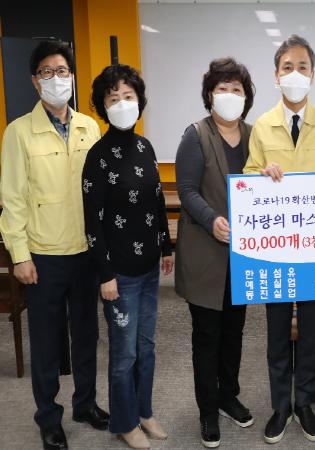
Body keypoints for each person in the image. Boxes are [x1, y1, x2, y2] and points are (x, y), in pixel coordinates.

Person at [0, 40, 108, 450]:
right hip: (43, 255)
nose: (56, 79)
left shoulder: (88, 127)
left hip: (84, 252)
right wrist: (19, 255)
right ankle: (48, 416)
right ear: (35, 81)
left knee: (86, 336)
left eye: (62, 71)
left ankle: (85, 404)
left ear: (72, 77)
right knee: (46, 342)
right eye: (47, 72)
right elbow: (12, 198)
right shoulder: (18, 132)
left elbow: (98, 192)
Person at [243, 34, 315, 444]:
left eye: (303, 67)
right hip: (276, 252)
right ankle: (280, 405)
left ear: (313, 75)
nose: (295, 74)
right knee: (275, 333)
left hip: (314, 252)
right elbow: (246, 179)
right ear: (276, 75)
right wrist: (260, 175)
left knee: (309, 331)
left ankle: (304, 402)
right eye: (288, 67)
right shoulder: (262, 126)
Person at [82, 64, 173, 450]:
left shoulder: (145, 147)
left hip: (149, 268)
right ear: (103, 106)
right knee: (124, 354)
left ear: (139, 100)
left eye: (128, 96)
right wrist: (105, 274)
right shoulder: (97, 157)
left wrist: (166, 245)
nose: (122, 103)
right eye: (113, 98)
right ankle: (124, 422)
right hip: (118, 274)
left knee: (146, 347)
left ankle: (144, 411)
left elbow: (156, 199)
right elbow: (92, 221)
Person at [174, 57, 255, 449]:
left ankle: (228, 395)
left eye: (236, 89)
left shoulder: (256, 135)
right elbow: (186, 190)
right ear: (210, 94)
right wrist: (212, 220)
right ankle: (207, 408)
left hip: (243, 254)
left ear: (246, 97)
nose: (229, 95)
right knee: (207, 333)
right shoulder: (195, 135)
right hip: (206, 252)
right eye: (222, 88)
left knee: (234, 330)